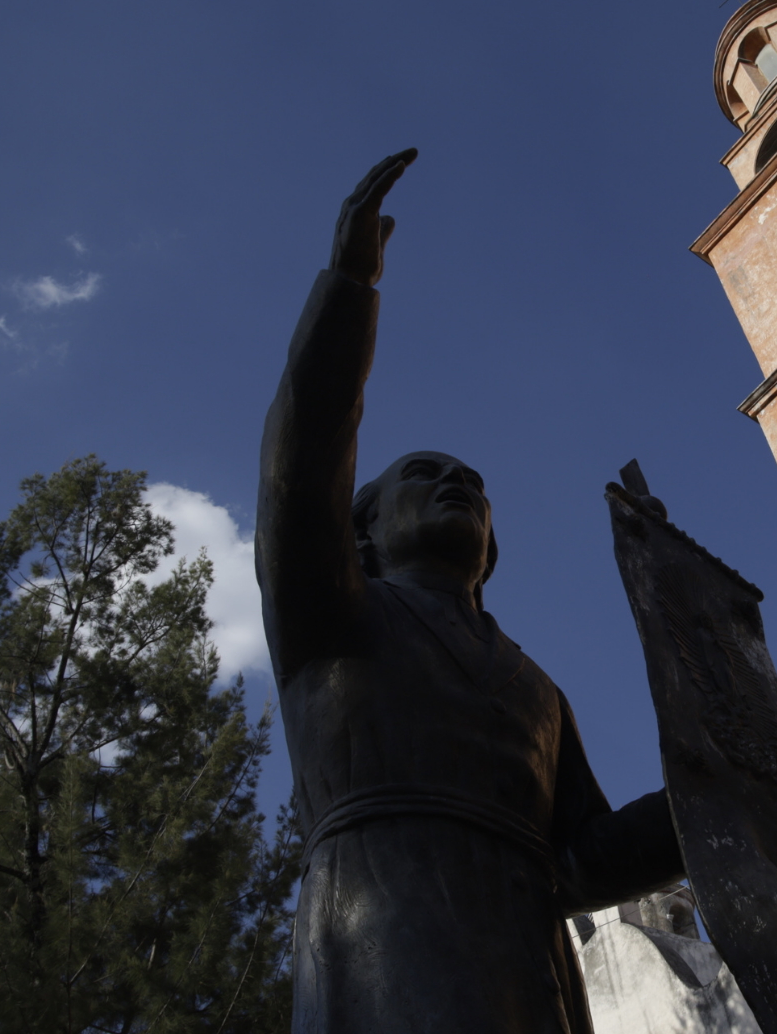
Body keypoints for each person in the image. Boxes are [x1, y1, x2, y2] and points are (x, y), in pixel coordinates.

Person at [256, 149, 685, 1033]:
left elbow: (588, 859)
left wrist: (715, 792)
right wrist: (348, 288)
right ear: (363, 530)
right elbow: (299, 474)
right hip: (380, 926)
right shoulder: (336, 615)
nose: (459, 484)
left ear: (489, 549)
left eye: (474, 484)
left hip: (527, 962)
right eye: (425, 473)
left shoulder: (534, 686)